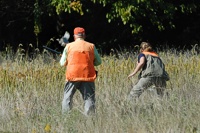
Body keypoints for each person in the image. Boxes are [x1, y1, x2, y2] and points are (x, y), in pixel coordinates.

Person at [60, 27, 102, 115]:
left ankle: (66, 118)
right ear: (84, 36)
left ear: (74, 36)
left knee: (67, 98)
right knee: (89, 99)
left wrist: (68, 59)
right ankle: (89, 119)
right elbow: (98, 62)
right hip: (87, 75)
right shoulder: (91, 46)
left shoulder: (69, 46)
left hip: (72, 76)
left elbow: (62, 63)